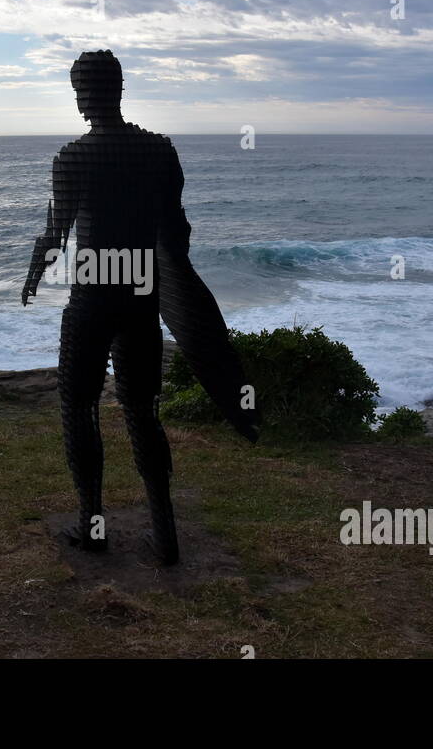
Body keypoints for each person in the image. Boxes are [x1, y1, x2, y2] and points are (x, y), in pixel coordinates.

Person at [23, 50, 258, 566]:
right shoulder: (158, 151)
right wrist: (173, 279)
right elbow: (177, 229)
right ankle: (164, 533)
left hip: (92, 291)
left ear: (82, 95)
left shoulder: (72, 158)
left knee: (78, 407)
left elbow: (56, 235)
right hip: (140, 291)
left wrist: (34, 273)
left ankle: (92, 527)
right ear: (121, 89)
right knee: (142, 412)